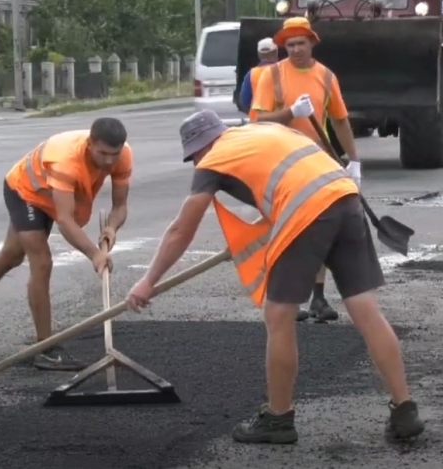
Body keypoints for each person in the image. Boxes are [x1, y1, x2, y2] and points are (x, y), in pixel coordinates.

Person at [125, 109, 424, 445]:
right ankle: (404, 408)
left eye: (193, 157)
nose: (196, 164)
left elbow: (182, 228)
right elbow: (291, 178)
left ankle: (278, 418)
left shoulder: (214, 159)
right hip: (344, 196)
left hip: (309, 209)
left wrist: (148, 280)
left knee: (278, 313)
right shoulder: (261, 132)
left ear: (200, 147)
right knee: (366, 310)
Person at [0, 118, 133, 371]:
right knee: (42, 263)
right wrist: (95, 255)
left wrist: (111, 228)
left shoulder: (124, 156)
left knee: (11, 256)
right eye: (103, 153)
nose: (108, 161)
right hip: (25, 192)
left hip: (51, 196)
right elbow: (64, 220)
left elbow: (120, 206)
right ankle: (45, 348)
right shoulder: (66, 160)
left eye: (113, 155)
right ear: (89, 144)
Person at [250, 16, 361, 323]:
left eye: (301, 43)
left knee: (320, 227)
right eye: (289, 44)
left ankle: (319, 297)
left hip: (316, 163)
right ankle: (283, 296)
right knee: (285, 230)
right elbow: (258, 120)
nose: (295, 49)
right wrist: (290, 112)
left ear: (312, 42)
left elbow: (339, 120)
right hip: (280, 163)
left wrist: (354, 160)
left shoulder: (326, 76)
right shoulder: (271, 76)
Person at [238, 37, 279, 116]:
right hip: (279, 121)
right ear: (275, 52)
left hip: (257, 122)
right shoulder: (283, 71)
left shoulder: (251, 74)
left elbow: (244, 101)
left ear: (259, 54)